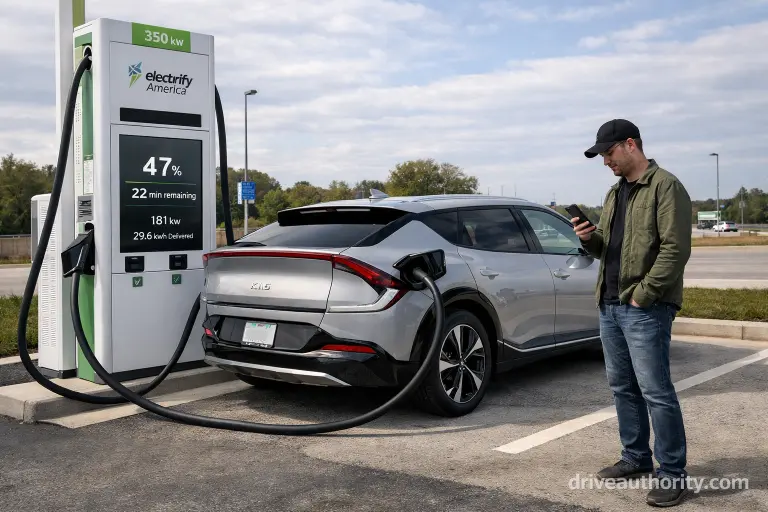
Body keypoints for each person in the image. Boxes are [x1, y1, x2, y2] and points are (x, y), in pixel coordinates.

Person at [573, 119, 692, 507]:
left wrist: (643, 295)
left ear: (630, 144)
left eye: (609, 153)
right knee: (622, 387)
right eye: (602, 156)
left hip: (645, 307)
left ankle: (673, 473)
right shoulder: (614, 193)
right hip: (609, 304)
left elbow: (675, 250)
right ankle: (636, 457)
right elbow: (609, 249)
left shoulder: (666, 187)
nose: (605, 161)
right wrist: (590, 240)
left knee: (656, 391)